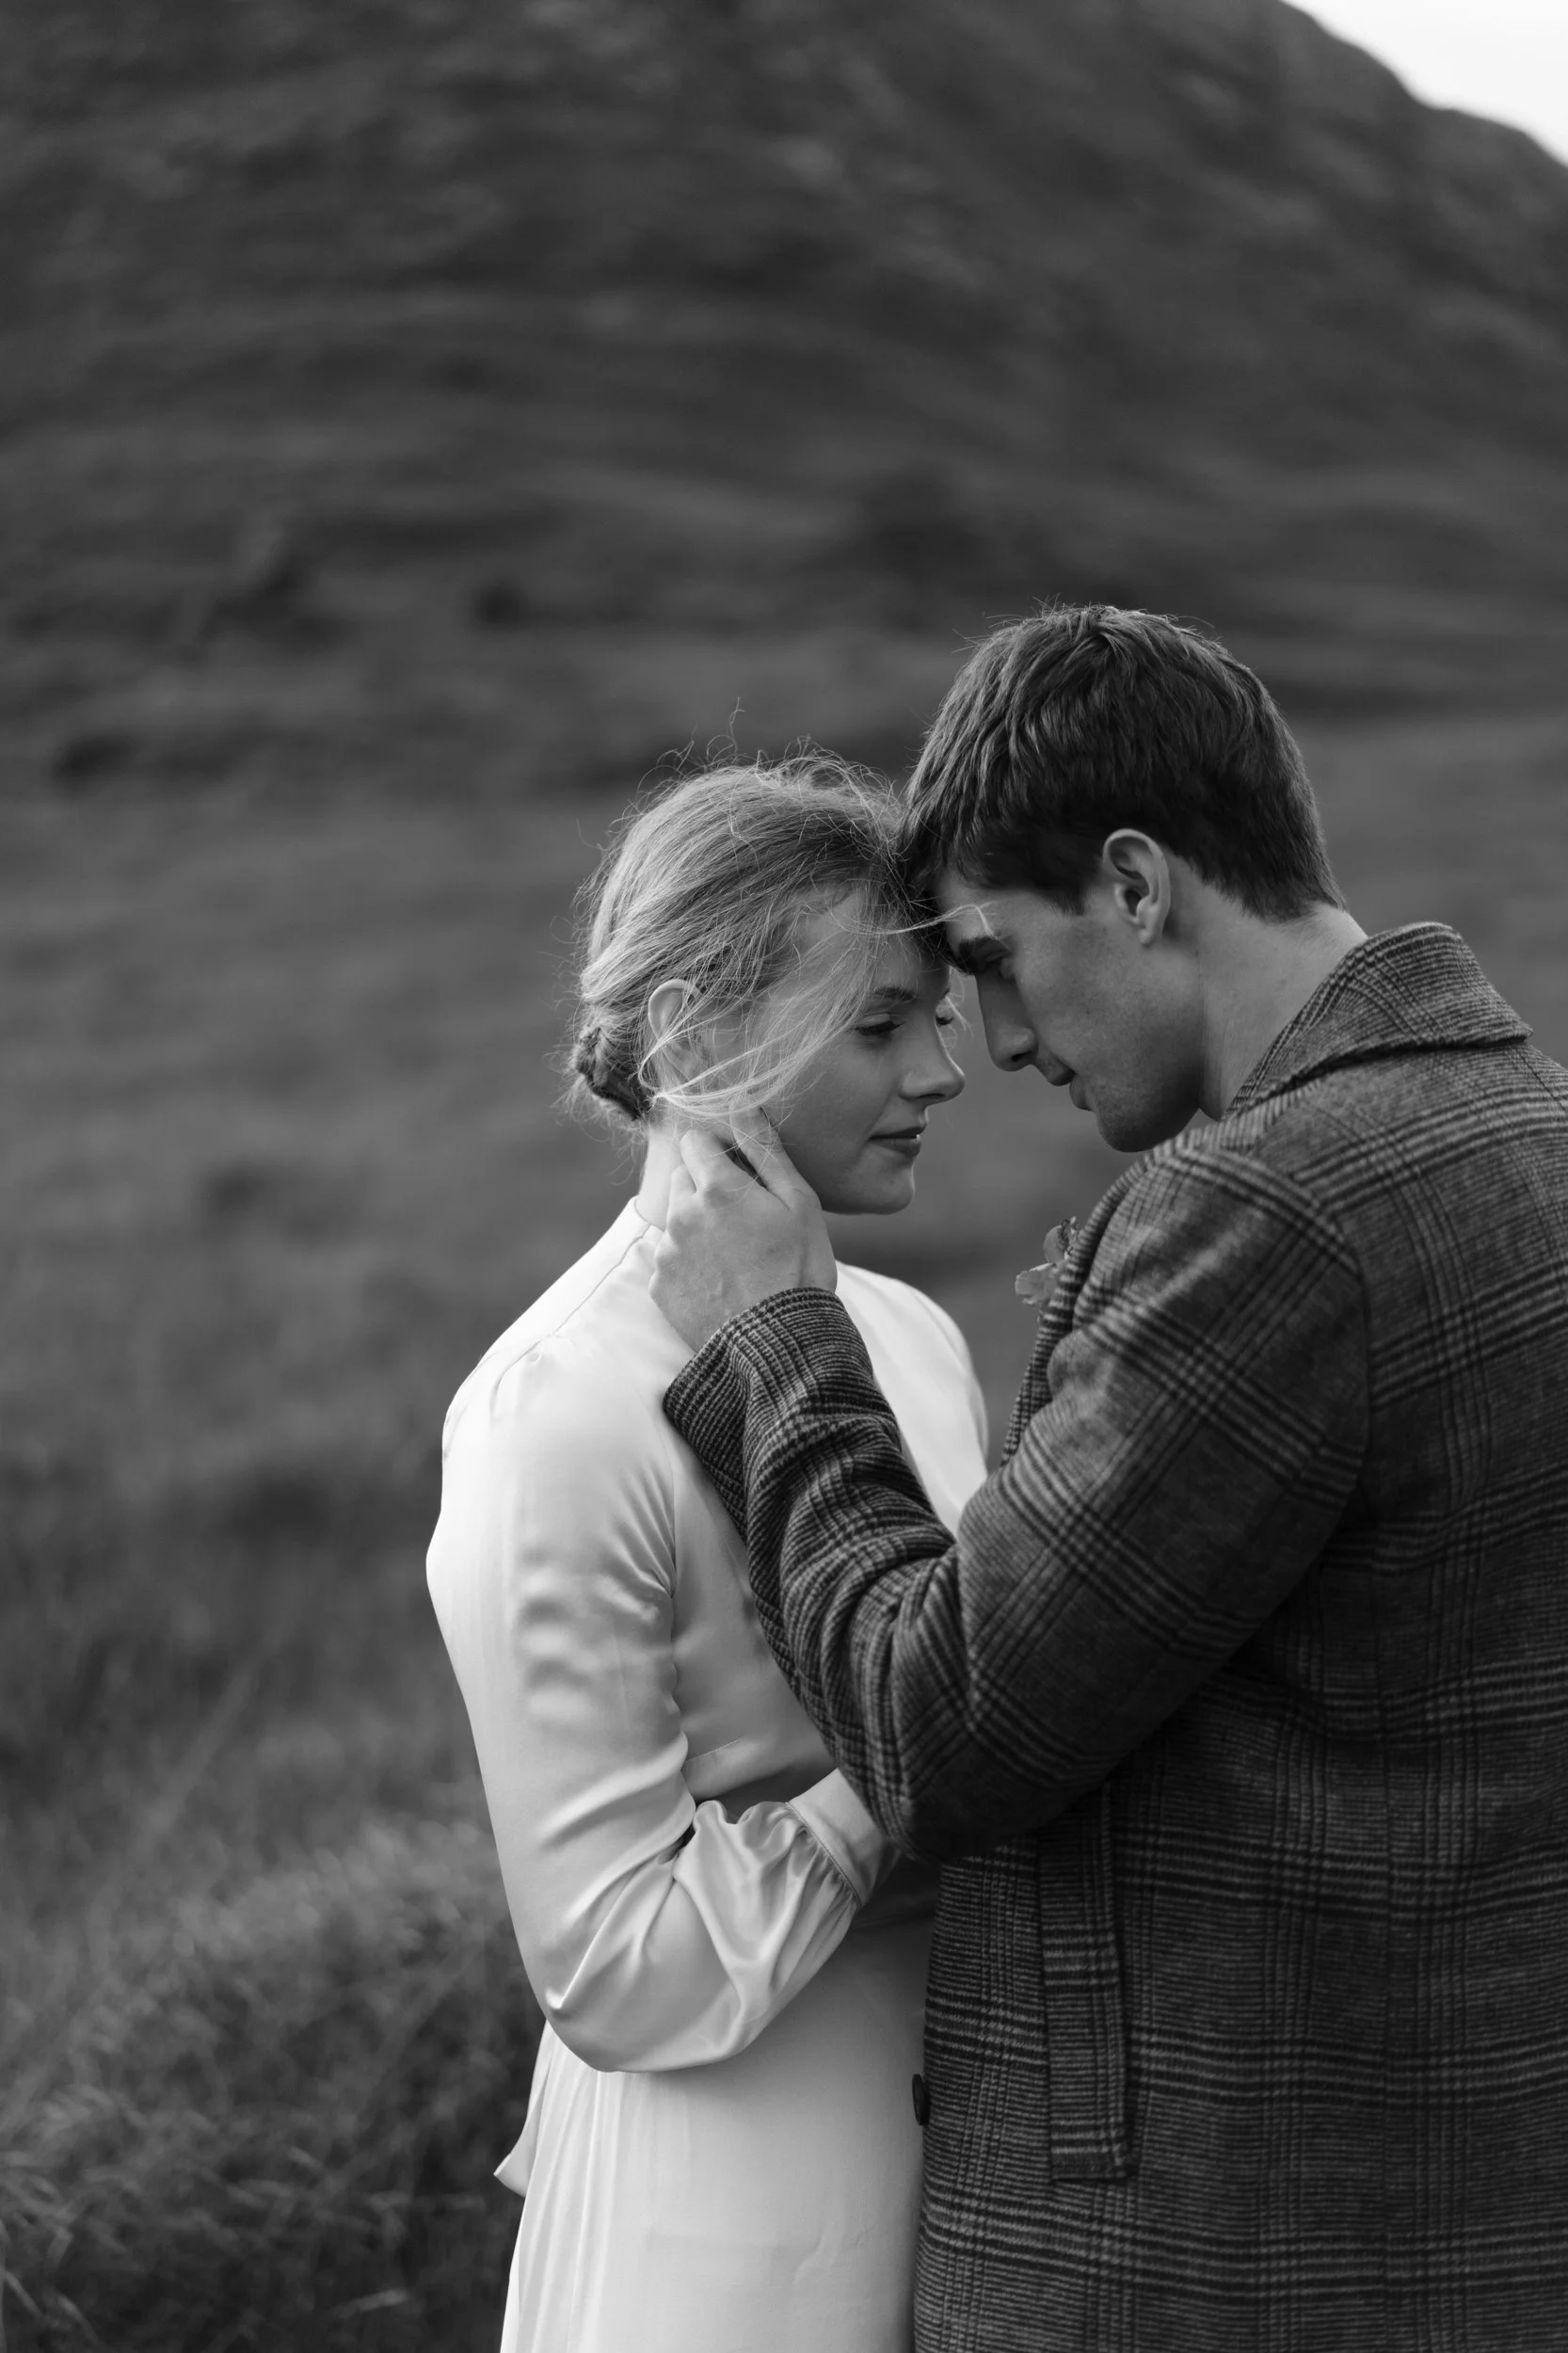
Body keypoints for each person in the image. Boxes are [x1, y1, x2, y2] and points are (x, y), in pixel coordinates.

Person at [648, 607, 1568, 2350]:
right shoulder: (1535, 1138)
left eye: (991, 956)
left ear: (1137, 886)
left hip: (1222, 2277)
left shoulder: (1277, 1220)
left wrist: (778, 1347)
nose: (989, 1038)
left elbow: (943, 1727)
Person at [425, 757, 988, 2353]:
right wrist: (919, 1753)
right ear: (696, 1034)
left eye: (936, 1017)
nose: (942, 1068)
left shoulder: (914, 1338)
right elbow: (612, 1971)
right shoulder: (553, 1417)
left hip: (967, 2171)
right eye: (878, 1024)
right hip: (726, 2228)